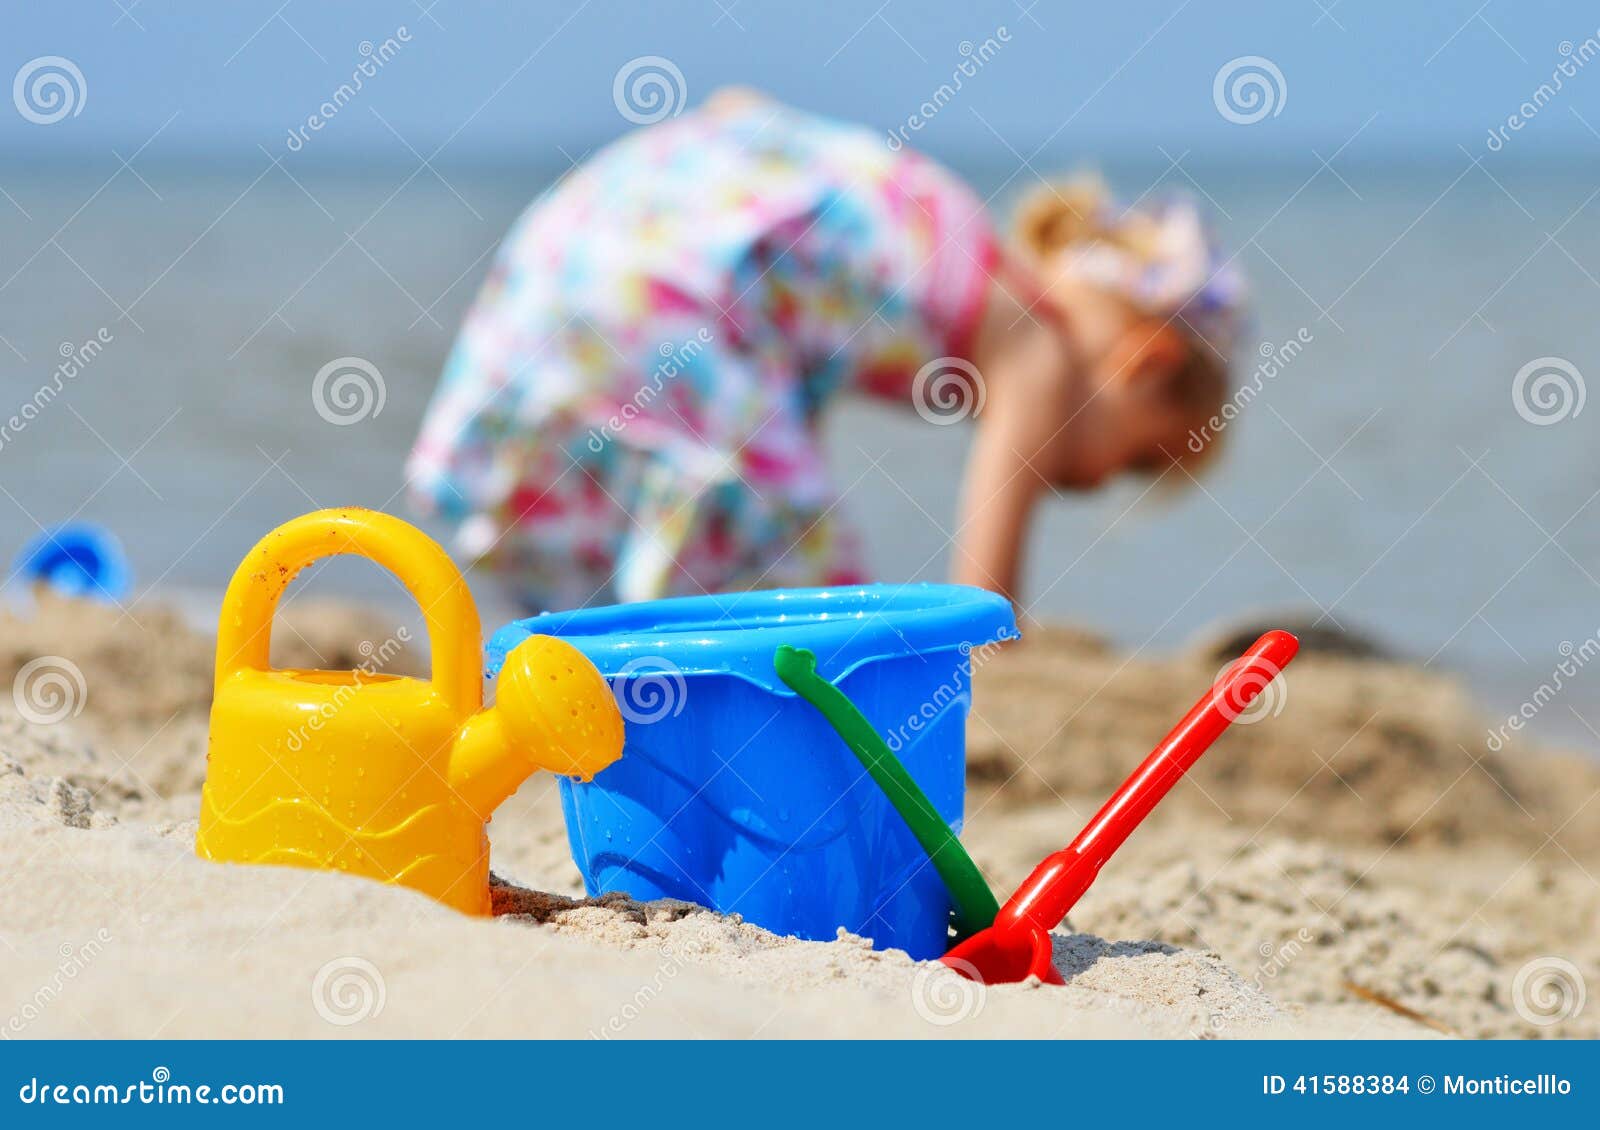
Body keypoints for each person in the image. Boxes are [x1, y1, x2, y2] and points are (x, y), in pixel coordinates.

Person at [406, 91, 1245, 612]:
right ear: (1144, 359)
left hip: (577, 262)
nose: (1099, 486)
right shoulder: (1038, 343)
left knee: (627, 561)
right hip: (673, 307)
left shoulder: (935, 213)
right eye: (1137, 459)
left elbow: (740, 111)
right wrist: (992, 659)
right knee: (812, 595)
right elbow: (983, 588)